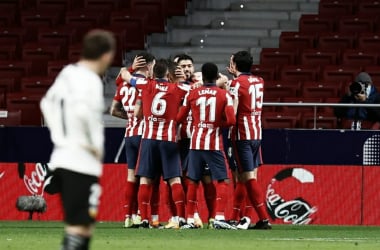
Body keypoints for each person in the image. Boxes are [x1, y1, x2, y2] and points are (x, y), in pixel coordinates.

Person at [41, 30, 115, 249]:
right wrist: (93, 145)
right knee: (80, 226)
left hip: (61, 157)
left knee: (82, 224)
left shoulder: (68, 73)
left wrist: (61, 136)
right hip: (81, 162)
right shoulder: (90, 80)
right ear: (105, 56)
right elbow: (84, 112)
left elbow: (47, 103)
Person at [122, 59, 189, 229]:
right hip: (168, 140)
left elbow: (124, 75)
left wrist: (132, 68)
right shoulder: (178, 88)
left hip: (149, 139)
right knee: (174, 179)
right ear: (168, 74)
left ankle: (144, 219)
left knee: (145, 180)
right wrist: (180, 80)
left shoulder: (145, 84)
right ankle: (181, 218)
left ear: (153, 73)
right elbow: (198, 87)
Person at [177, 62, 236, 229]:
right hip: (213, 145)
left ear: (202, 76)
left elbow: (180, 118)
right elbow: (231, 120)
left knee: (192, 180)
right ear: (216, 76)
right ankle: (218, 217)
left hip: (195, 143)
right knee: (223, 180)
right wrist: (217, 124)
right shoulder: (224, 95)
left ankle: (189, 220)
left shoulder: (192, 93)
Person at [110, 52, 156, 228]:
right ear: (149, 66)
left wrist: (130, 119)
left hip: (129, 134)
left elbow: (113, 110)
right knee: (145, 177)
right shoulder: (146, 85)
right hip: (145, 134)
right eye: (153, 66)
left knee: (131, 176)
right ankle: (140, 215)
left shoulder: (122, 85)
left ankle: (127, 216)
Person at [227, 51, 272, 230]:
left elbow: (233, 113)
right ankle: (240, 218)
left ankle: (262, 219)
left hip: (242, 135)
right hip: (256, 134)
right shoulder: (260, 81)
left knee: (245, 177)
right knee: (249, 176)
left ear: (235, 65)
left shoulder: (235, 84)